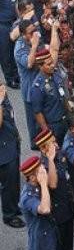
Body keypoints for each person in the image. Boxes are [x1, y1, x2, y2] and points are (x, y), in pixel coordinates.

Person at [0, 83, 23, 228]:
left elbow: (10, 117)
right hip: (3, 152)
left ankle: (15, 206)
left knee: (14, 181)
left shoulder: (3, 96)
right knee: (8, 185)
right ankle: (9, 215)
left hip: (11, 144)